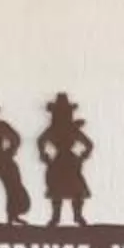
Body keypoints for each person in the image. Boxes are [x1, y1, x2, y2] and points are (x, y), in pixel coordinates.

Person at [37, 93, 95, 227]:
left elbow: (88, 144)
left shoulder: (69, 129)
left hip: (68, 161)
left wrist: (83, 155)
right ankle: (57, 217)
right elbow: (41, 141)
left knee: (76, 190)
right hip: (63, 160)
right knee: (57, 190)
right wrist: (44, 154)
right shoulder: (57, 129)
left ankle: (77, 216)